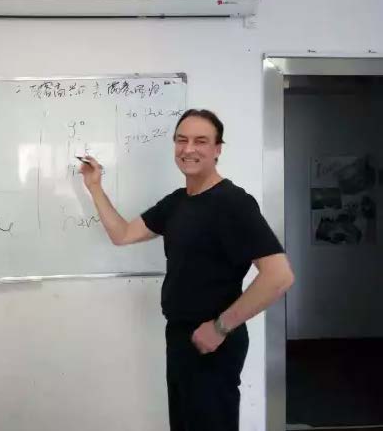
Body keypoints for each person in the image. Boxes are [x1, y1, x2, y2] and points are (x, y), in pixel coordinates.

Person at [79, 109, 294, 431]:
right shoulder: (177, 202)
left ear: (217, 149)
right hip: (180, 336)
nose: (188, 149)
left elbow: (279, 276)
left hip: (213, 341)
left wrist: (220, 328)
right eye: (182, 140)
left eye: (200, 141)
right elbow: (122, 234)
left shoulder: (233, 203)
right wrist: (94, 186)